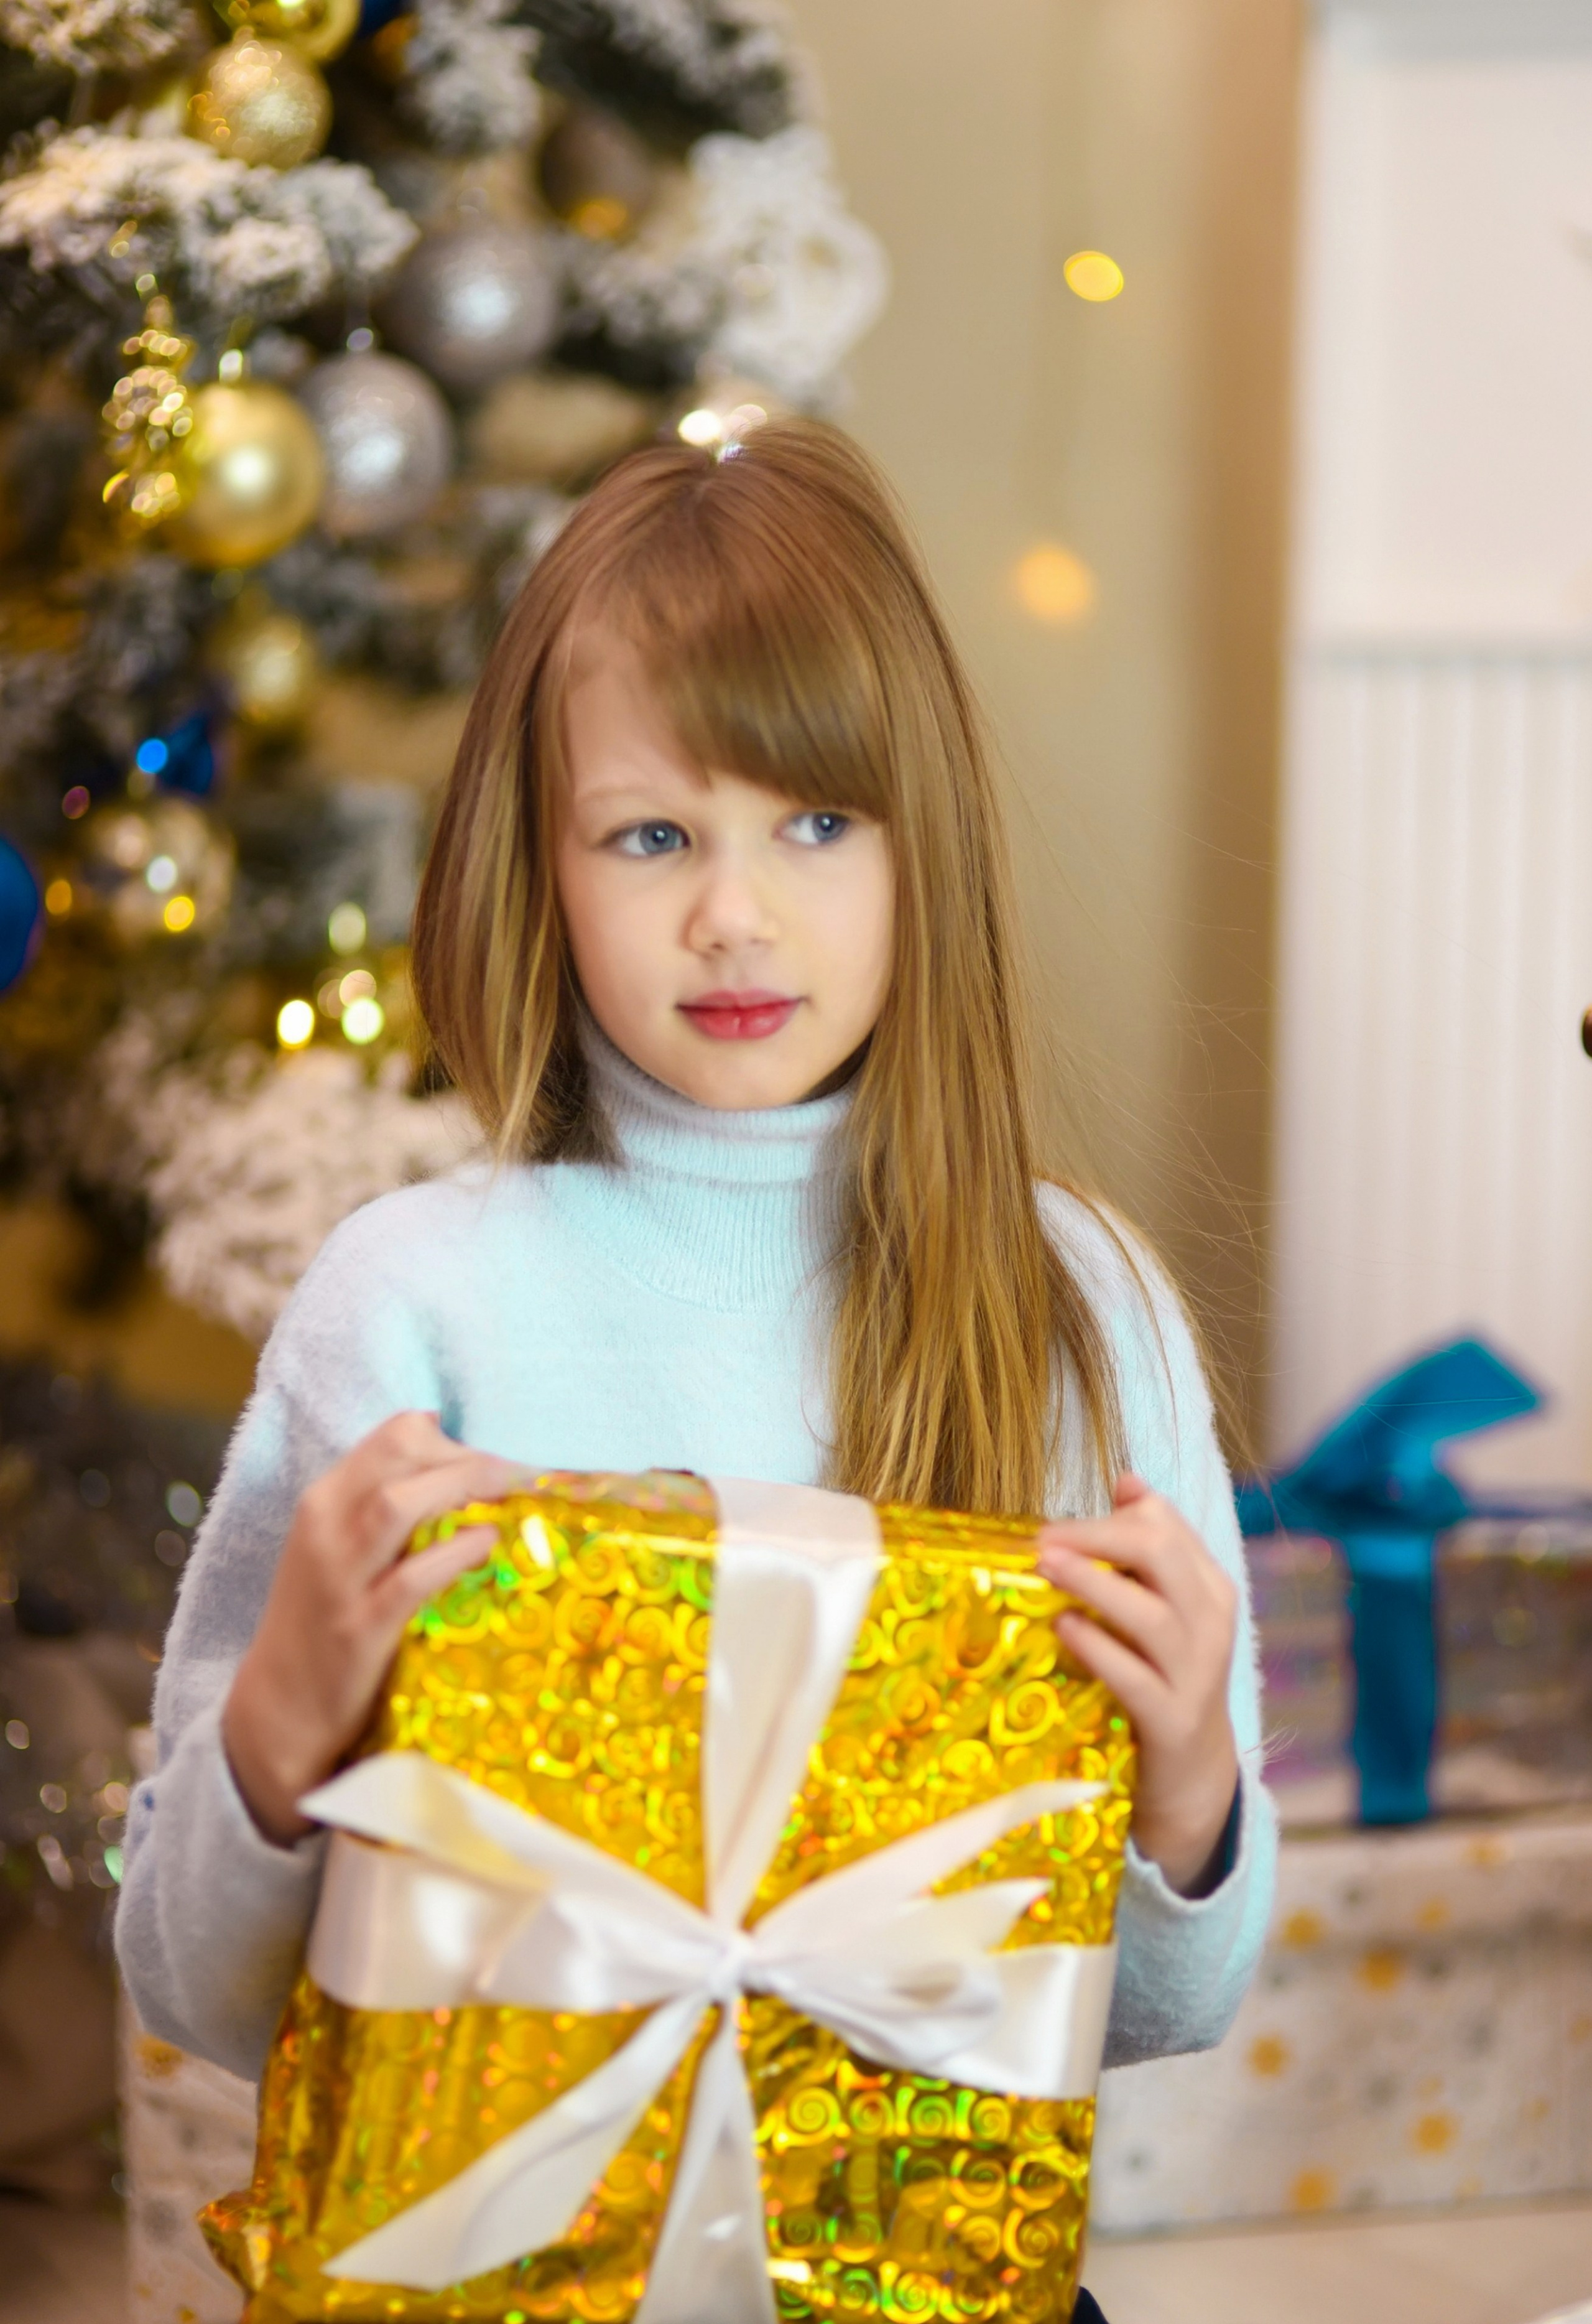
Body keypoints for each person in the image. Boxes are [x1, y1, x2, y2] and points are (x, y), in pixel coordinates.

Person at [117, 417, 1277, 2318]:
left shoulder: (1082, 1310)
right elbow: (198, 1993)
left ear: (929, 842)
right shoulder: (414, 1310)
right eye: (653, 834)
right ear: (542, 862)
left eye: (816, 823)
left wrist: (1188, 1789)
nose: (735, 913)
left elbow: (1158, 2014)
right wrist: (274, 1744)